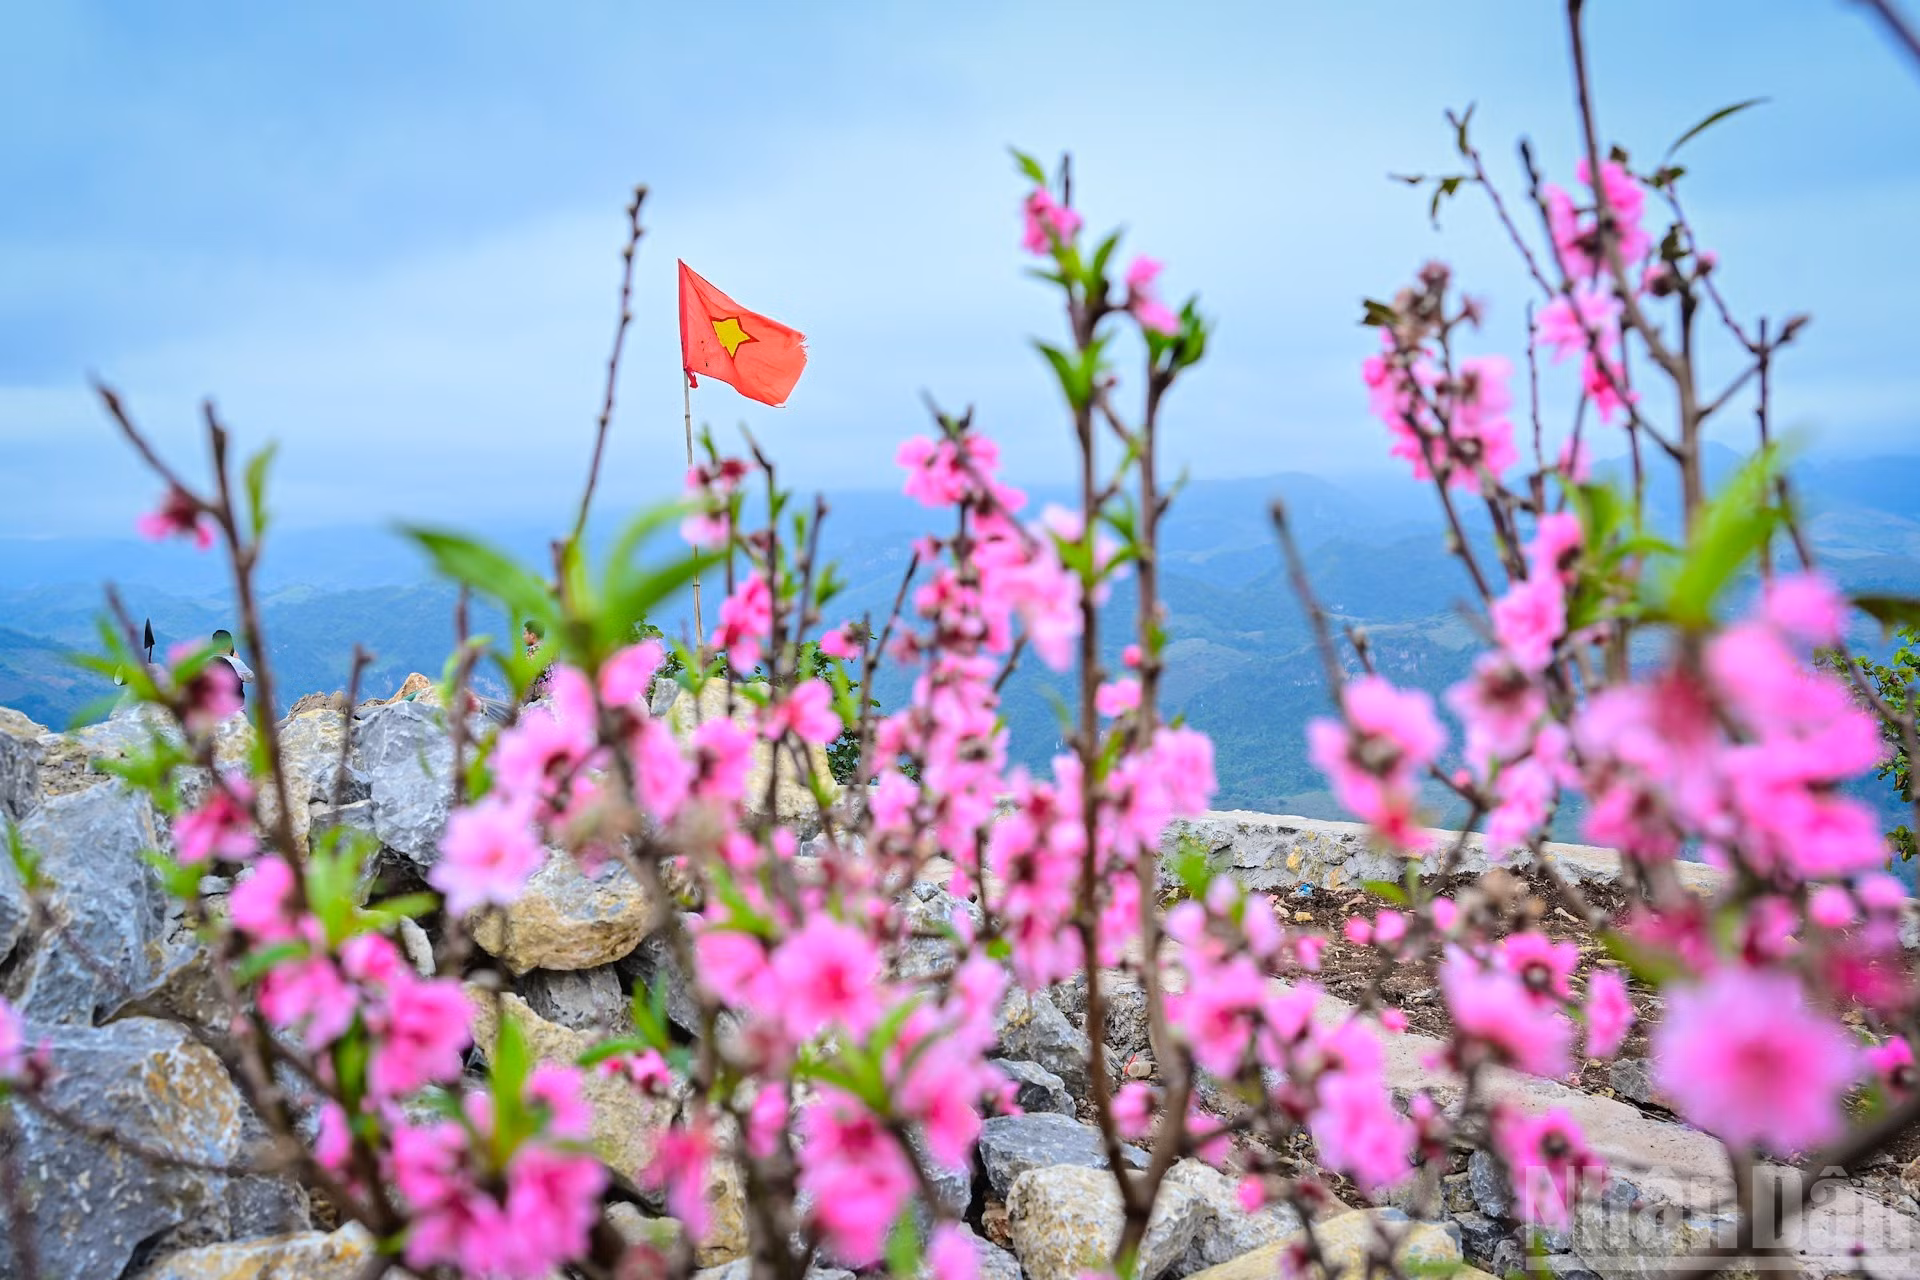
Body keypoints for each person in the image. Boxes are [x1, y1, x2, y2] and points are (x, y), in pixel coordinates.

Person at [212, 629, 255, 706]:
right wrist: (238, 660)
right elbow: (252, 678)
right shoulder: (236, 663)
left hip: (213, 713)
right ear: (230, 645)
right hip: (235, 713)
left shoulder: (205, 663)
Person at [524, 620, 555, 704]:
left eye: (525, 633)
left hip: (538, 699)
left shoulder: (533, 650)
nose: (523, 637)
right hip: (553, 696)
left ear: (532, 635)